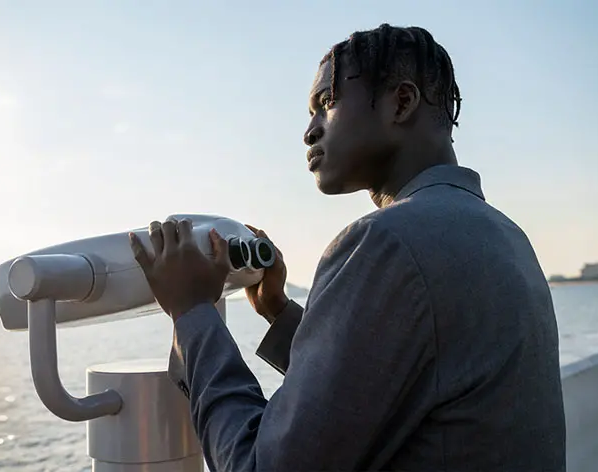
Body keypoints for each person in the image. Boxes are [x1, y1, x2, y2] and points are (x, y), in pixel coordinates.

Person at [129, 23, 566, 471]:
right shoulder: (505, 235)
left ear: (401, 103)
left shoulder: (386, 241)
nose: (309, 132)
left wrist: (192, 312)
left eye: (326, 103)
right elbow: (401, 371)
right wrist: (279, 311)